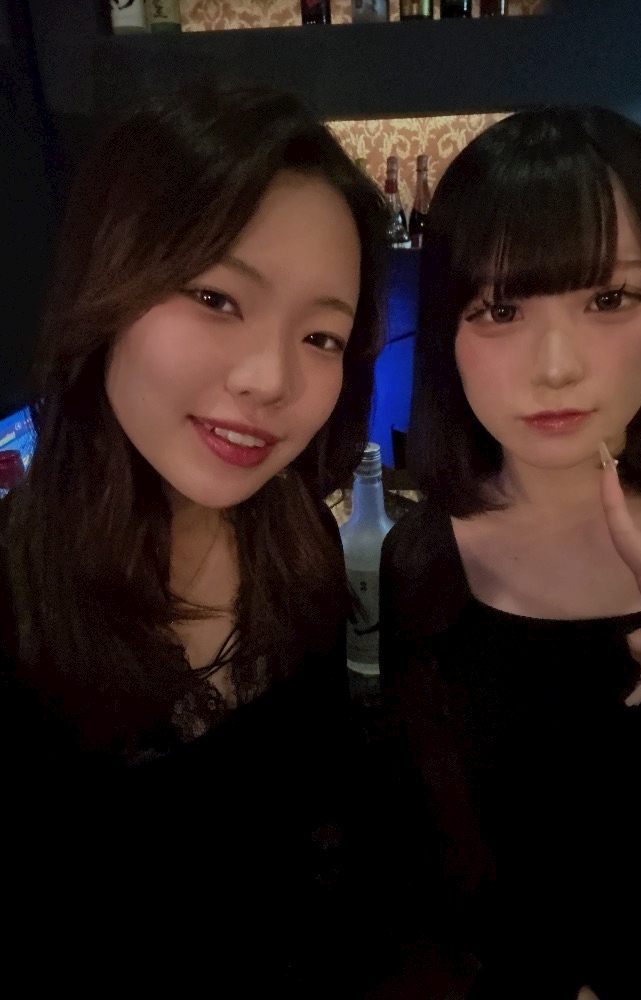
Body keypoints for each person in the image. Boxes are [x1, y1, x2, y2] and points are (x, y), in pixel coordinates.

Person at [0, 83, 389, 990]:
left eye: (322, 337)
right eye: (216, 296)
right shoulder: (16, 606)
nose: (270, 380)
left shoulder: (298, 541)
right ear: (106, 286)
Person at [379, 107, 641, 1000]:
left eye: (609, 299)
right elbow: (443, 879)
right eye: (500, 309)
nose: (555, 367)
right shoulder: (422, 564)